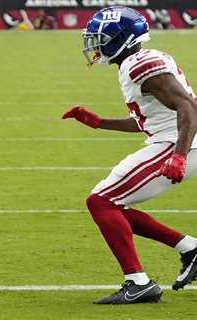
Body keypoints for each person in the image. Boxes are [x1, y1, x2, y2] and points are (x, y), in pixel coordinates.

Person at [62, 6, 197, 304]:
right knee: (111, 206)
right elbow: (148, 120)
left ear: (118, 38)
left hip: (177, 143)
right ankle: (189, 248)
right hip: (172, 140)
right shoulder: (136, 62)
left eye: (99, 38)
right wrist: (99, 123)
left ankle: (138, 282)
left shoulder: (140, 64)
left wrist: (179, 155)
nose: (94, 45)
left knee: (101, 201)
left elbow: (188, 107)